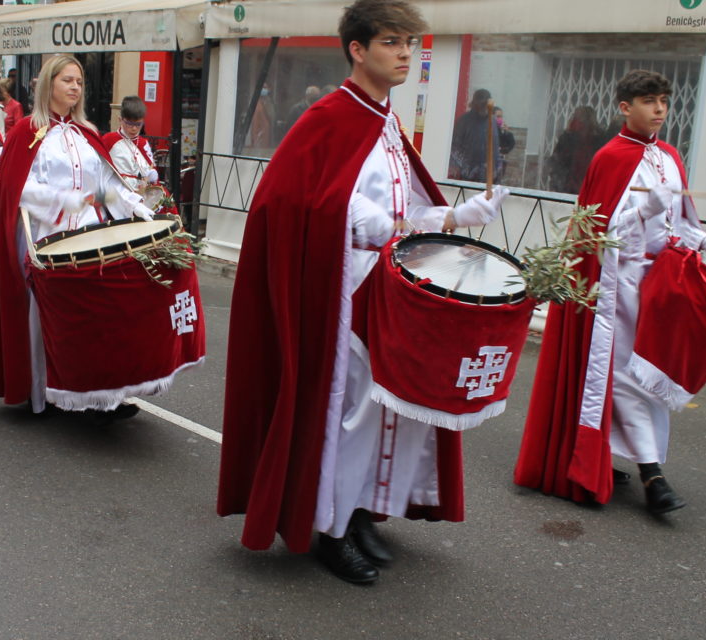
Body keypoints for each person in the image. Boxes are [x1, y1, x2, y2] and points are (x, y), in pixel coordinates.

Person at [216, 0, 510, 585]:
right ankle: (328, 526)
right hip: (341, 293)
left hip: (392, 292)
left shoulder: (386, 121)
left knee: (386, 408)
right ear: (358, 49)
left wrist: (460, 215)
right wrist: (362, 217)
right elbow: (289, 199)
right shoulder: (328, 116)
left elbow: (410, 207)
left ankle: (359, 511)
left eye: (410, 44)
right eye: (392, 43)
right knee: (348, 413)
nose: (406, 54)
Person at [514, 70, 706, 516]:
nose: (658, 109)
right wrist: (644, 208)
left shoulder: (671, 157)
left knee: (653, 377)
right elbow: (600, 232)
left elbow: (679, 227)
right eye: (649, 101)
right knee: (626, 379)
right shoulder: (611, 157)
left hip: (662, 289)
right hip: (618, 290)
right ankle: (652, 475)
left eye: (664, 101)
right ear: (624, 107)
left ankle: (622, 455)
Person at [0, 54, 155, 420]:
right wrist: (64, 203)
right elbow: (18, 189)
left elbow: (105, 184)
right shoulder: (26, 132)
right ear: (48, 84)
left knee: (98, 315)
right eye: (67, 80)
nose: (74, 87)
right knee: (46, 319)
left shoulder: (86, 133)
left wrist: (136, 207)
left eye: (79, 82)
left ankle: (102, 394)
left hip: (90, 232)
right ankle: (42, 391)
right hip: (46, 233)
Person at [102, 95, 158, 192]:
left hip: (142, 191)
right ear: (120, 120)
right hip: (118, 191)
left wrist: (149, 177)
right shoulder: (109, 139)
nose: (134, 128)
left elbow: (151, 168)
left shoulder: (143, 143)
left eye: (138, 124)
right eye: (129, 124)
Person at [448, 88, 505, 182]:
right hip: (468, 176)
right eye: (481, 105)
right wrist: (461, 169)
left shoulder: (493, 122)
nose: (483, 108)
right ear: (475, 105)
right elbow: (455, 148)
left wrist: (496, 171)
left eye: (485, 105)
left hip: (489, 177)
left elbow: (496, 148)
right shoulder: (464, 121)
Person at [547, 105, 604, 194]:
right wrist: (557, 183)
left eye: (582, 120)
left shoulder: (598, 139)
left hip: (589, 184)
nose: (578, 123)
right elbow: (557, 161)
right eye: (576, 118)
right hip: (569, 185)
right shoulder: (567, 138)